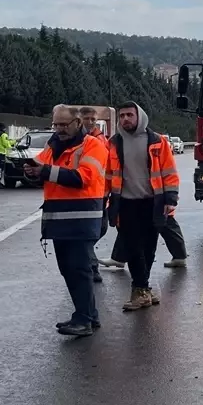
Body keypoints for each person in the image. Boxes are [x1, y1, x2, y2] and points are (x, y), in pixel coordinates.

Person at [23, 106, 108, 337]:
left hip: (82, 218)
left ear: (78, 123)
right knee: (68, 269)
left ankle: (83, 320)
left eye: (64, 125)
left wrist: (44, 171)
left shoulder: (93, 145)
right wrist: (31, 172)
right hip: (59, 219)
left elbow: (83, 177)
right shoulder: (53, 146)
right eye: (56, 124)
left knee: (78, 269)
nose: (59, 129)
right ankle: (89, 314)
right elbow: (41, 167)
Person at [107, 102, 180, 311]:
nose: (125, 120)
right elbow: (108, 174)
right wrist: (102, 200)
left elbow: (169, 172)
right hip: (125, 203)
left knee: (149, 248)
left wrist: (170, 198)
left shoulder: (157, 141)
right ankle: (140, 289)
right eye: (121, 116)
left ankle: (144, 290)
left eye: (129, 115)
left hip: (152, 202)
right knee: (132, 248)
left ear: (140, 116)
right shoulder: (114, 142)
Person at [80, 107, 108, 282]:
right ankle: (92, 266)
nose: (90, 122)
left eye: (93, 119)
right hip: (85, 193)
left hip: (102, 192)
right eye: (87, 119)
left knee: (101, 229)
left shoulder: (101, 138)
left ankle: (85, 259)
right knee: (89, 232)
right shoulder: (78, 139)